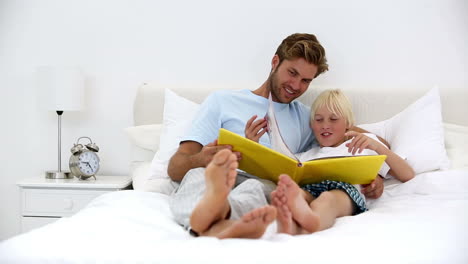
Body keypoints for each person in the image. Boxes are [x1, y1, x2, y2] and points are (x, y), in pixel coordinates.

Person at [168, 33, 382, 239]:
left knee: (258, 189)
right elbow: (175, 168)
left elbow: (353, 135)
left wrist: (376, 175)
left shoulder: (309, 118)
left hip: (260, 184)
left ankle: (217, 218)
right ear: (275, 61)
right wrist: (202, 159)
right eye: (292, 73)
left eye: (306, 80)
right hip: (217, 175)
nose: (296, 86)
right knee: (196, 176)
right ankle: (216, 215)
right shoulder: (222, 101)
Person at [262, 89, 415, 235]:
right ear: (311, 125)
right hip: (310, 189)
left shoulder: (362, 146)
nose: (325, 125)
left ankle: (312, 220)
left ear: (348, 124)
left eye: (333, 119)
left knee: (328, 199)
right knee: (298, 193)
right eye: (318, 119)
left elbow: (407, 174)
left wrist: (376, 146)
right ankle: (295, 225)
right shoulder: (306, 155)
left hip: (345, 192)